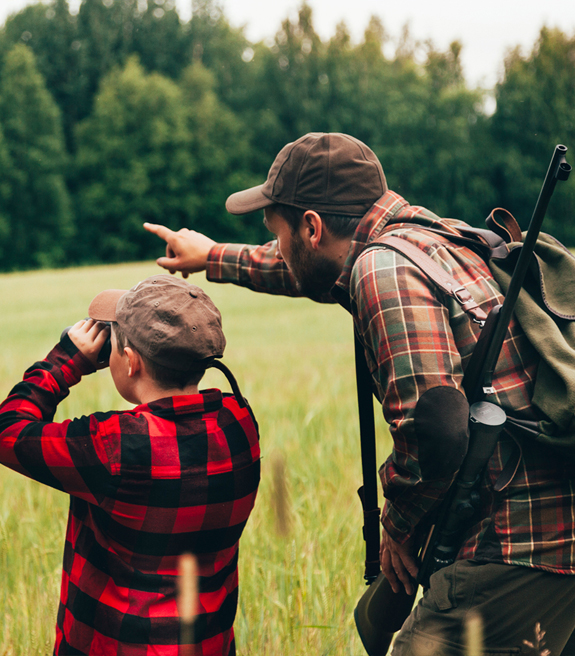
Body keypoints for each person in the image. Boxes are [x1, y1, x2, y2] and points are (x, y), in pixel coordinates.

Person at [144, 132, 575, 655]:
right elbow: (302, 266)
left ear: (311, 226)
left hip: (519, 541)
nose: (278, 245)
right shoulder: (429, 237)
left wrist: (395, 523)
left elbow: (437, 427)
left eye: (277, 232)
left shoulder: (382, 269)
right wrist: (211, 256)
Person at [0, 275, 260, 656]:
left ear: (131, 361)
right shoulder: (239, 422)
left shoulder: (115, 446)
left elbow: (9, 431)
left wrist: (66, 362)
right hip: (208, 645)